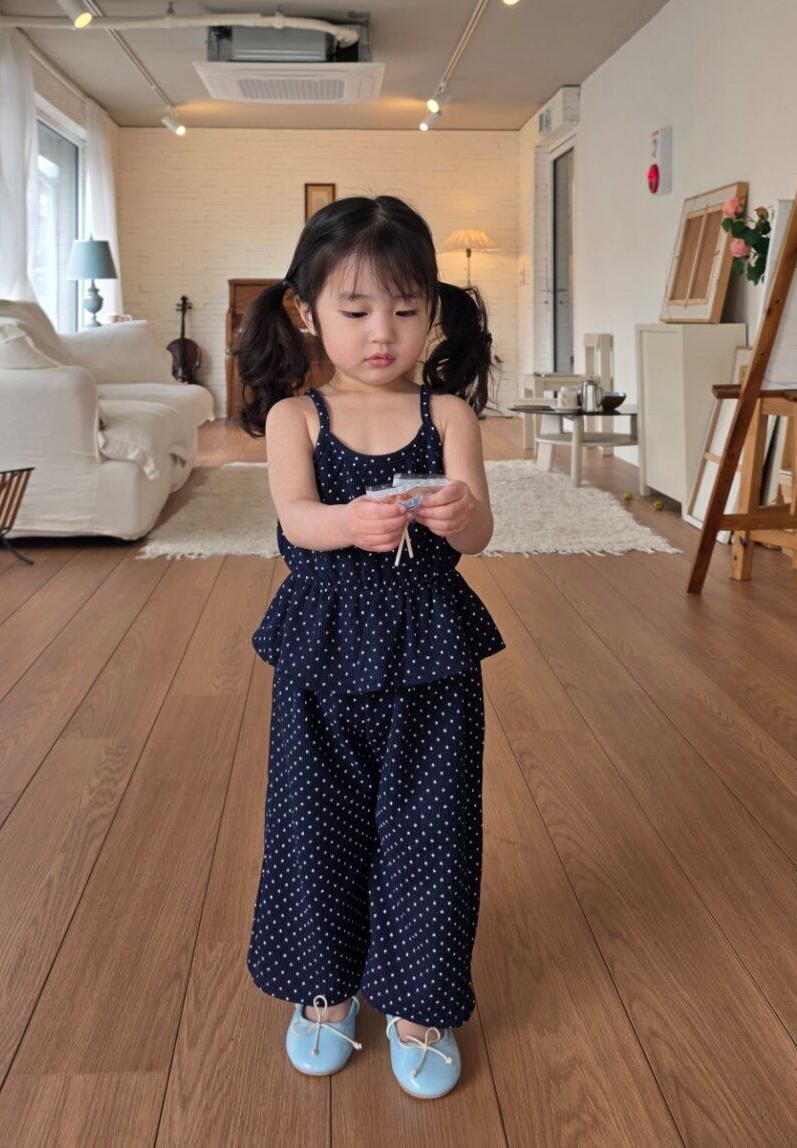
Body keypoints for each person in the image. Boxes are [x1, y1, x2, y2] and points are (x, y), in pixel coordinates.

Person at [235, 193, 506, 1100]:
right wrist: (347, 521)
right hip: (323, 647)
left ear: (433, 311)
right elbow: (295, 517)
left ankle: (420, 1005)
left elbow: (479, 530)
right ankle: (323, 989)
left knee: (435, 831)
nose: (382, 332)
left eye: (405, 308)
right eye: (355, 311)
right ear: (307, 311)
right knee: (313, 825)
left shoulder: (449, 413)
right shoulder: (296, 417)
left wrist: (462, 514)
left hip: (432, 650)